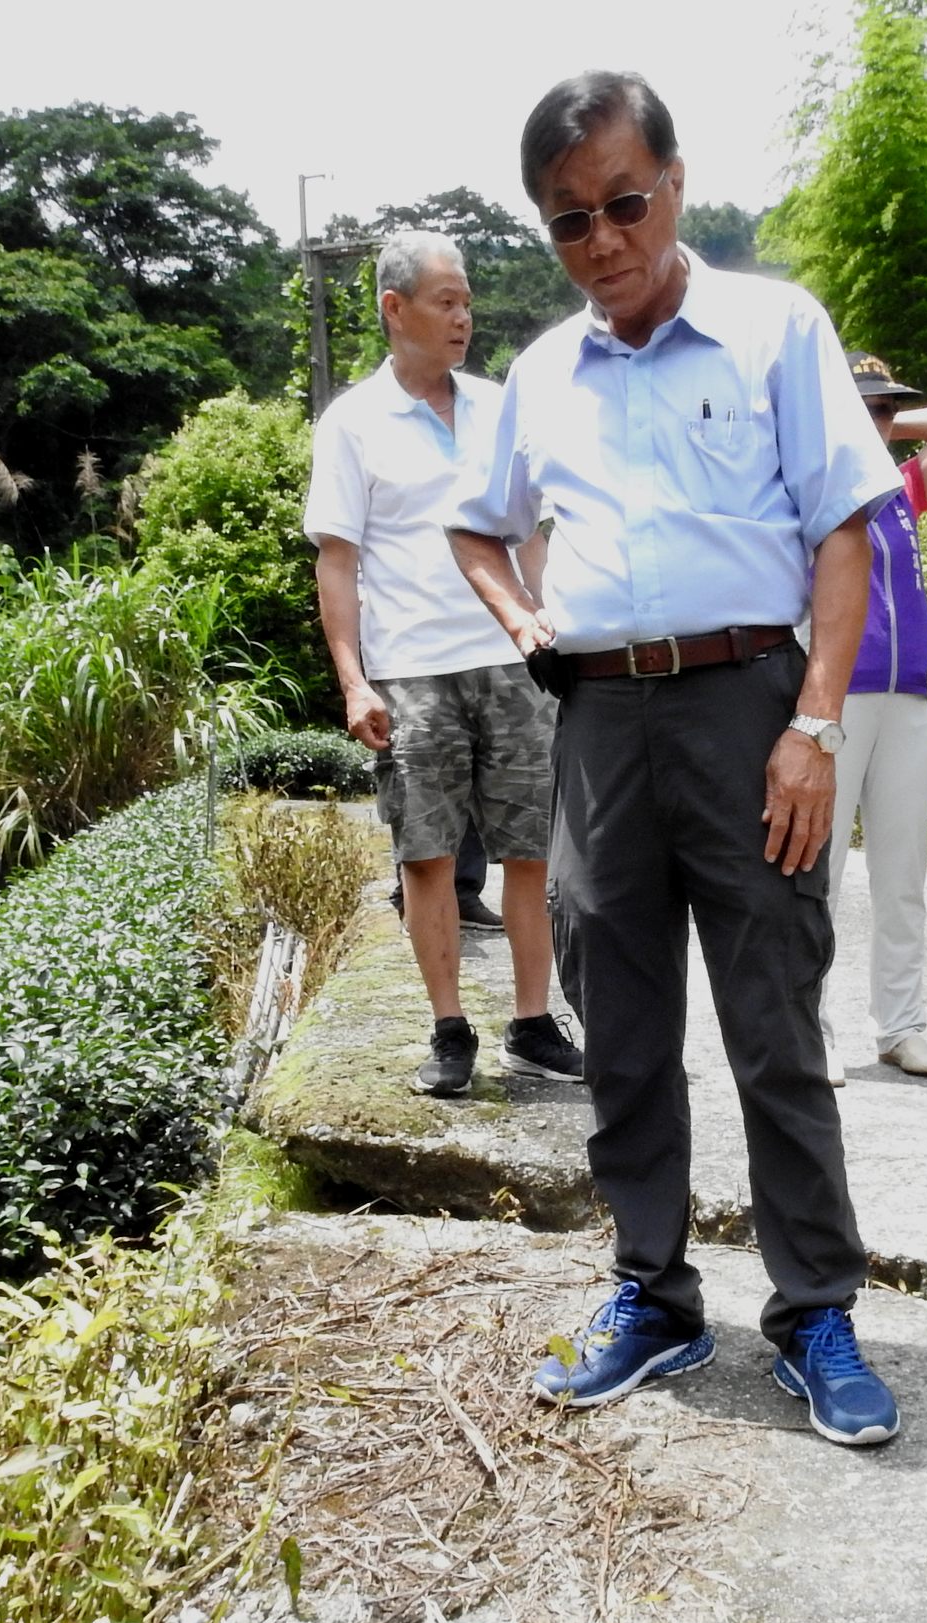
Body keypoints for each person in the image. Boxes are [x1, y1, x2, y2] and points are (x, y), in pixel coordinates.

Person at [449, 72, 908, 1448]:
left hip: (749, 706)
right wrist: (525, 615)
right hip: (596, 724)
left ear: (675, 185)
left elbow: (845, 532)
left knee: (776, 1016)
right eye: (569, 223)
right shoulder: (539, 373)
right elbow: (481, 527)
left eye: (623, 204)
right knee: (623, 1030)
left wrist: (816, 725)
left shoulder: (774, 328)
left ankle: (815, 1308)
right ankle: (650, 1293)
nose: (603, 242)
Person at [301, 230, 584, 1098]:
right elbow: (337, 562)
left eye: (467, 302)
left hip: (511, 662)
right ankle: (449, 1030)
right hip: (411, 672)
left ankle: (534, 1024)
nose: (465, 317)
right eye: (447, 302)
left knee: (531, 853)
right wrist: (353, 680)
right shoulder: (352, 422)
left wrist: (551, 628)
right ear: (396, 309)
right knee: (425, 857)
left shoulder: (501, 407)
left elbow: (529, 534)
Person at [821, 352, 927, 1084]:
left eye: (885, 410)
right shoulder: (811, 489)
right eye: (865, 407)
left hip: (908, 698)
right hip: (835, 698)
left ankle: (901, 1025)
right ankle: (809, 1025)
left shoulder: (904, 486)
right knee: (816, 875)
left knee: (902, 872)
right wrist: (843, 417)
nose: (879, 420)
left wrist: (886, 421)